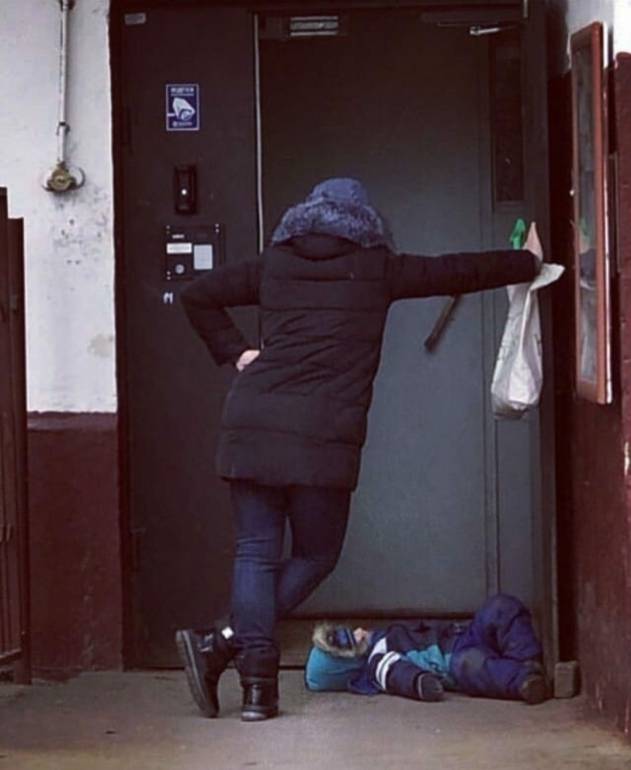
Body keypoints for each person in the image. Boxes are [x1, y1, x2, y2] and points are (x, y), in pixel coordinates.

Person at [175, 178, 539, 721]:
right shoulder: (376, 268)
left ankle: (254, 689)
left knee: (255, 552)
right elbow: (455, 271)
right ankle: (222, 643)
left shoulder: (274, 265)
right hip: (322, 438)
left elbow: (197, 294)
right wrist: (526, 262)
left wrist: (238, 352)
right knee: (316, 555)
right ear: (365, 224)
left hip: (252, 424)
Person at [305, 593, 549, 705]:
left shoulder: (383, 636)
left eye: (352, 630)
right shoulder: (377, 661)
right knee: (475, 666)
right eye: (353, 640)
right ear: (347, 665)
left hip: (464, 635)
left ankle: (527, 661)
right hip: (452, 662)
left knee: (500, 607)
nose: (359, 631)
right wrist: (419, 683)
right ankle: (524, 681)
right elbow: (396, 673)